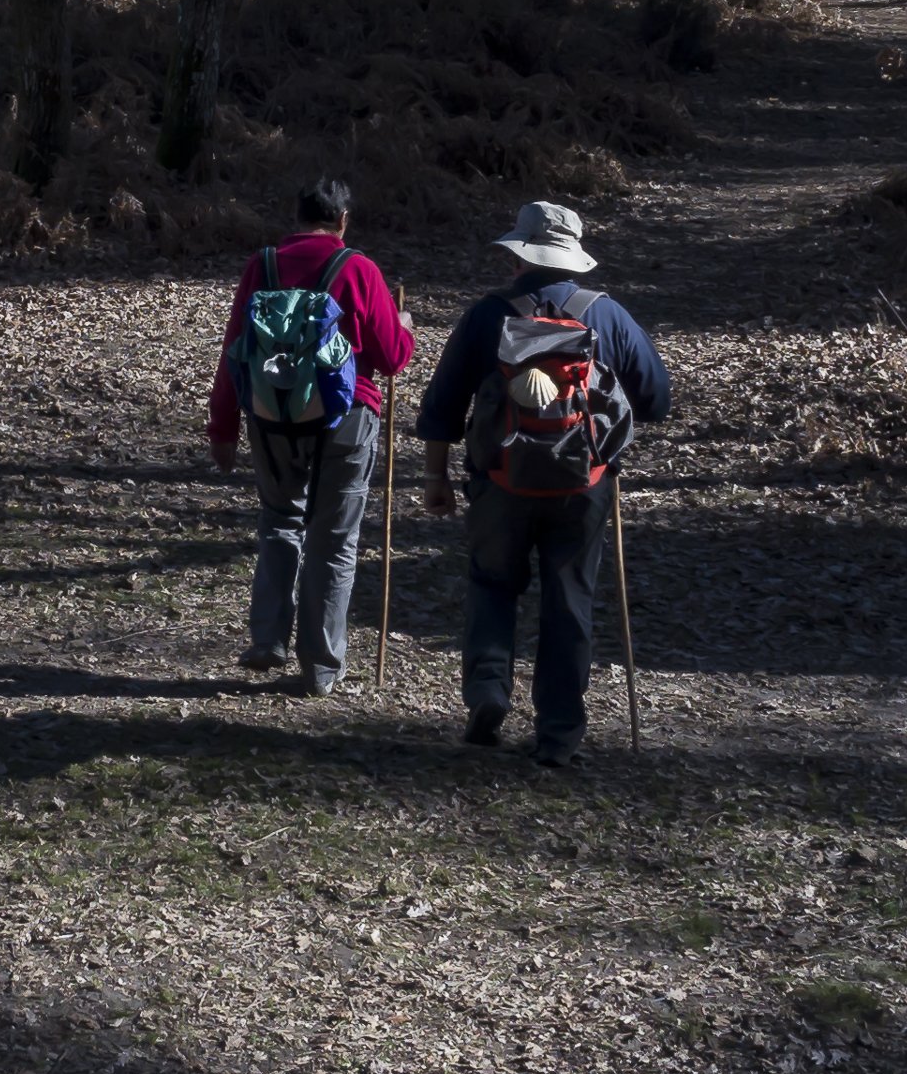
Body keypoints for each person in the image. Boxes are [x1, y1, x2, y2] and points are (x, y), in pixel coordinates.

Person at [411, 200, 673, 765]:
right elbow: (656, 398)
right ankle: (558, 734)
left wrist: (436, 476)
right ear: (574, 259)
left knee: (491, 582)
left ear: (518, 257)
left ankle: (487, 692)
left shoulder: (487, 315)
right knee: (569, 600)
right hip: (583, 485)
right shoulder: (606, 315)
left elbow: (443, 404)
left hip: (500, 480)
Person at [201, 177, 415, 695]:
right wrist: (404, 324)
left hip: (271, 415)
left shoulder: (264, 266)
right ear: (343, 221)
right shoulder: (359, 269)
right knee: (334, 539)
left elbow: (235, 346)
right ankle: (320, 667)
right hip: (348, 418)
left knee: (279, 521)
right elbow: (391, 357)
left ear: (296, 217)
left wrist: (223, 426)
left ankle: (267, 639)